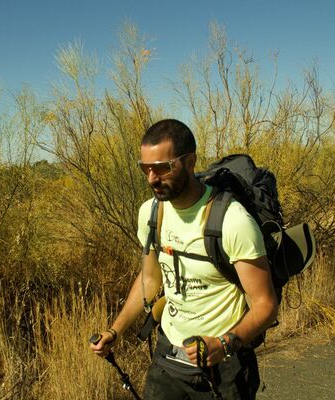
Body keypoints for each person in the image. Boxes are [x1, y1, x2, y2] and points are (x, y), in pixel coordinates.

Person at [90, 119, 279, 399]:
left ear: (190, 162)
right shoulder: (151, 214)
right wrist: (115, 331)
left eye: (162, 168)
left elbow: (266, 305)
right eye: (145, 168)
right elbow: (150, 278)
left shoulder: (232, 220)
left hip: (223, 366)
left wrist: (223, 344)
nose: (151, 178)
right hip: (168, 358)